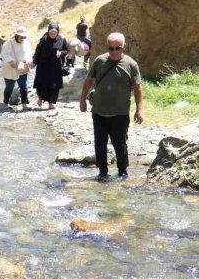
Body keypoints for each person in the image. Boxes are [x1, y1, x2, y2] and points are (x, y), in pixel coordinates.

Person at [79, 32, 144, 180]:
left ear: (124, 48)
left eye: (117, 48)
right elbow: (89, 81)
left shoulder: (131, 64)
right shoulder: (99, 61)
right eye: (110, 48)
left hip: (120, 113)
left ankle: (122, 171)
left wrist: (139, 109)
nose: (114, 51)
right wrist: (82, 100)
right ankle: (102, 173)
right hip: (99, 112)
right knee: (100, 144)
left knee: (120, 144)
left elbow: (138, 87)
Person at [33, 22, 69, 109]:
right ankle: (41, 98)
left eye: (54, 32)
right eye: (51, 32)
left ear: (57, 32)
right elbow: (37, 51)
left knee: (54, 85)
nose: (53, 34)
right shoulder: (43, 39)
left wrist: (61, 53)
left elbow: (66, 50)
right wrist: (34, 62)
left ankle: (51, 103)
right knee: (41, 84)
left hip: (55, 67)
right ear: (48, 31)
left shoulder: (61, 39)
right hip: (43, 66)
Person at [0, 26, 33, 110]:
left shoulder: (27, 43)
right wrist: (11, 61)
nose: (23, 38)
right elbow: (4, 54)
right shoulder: (8, 43)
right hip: (10, 68)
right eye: (21, 37)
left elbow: (29, 54)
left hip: (22, 67)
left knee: (23, 86)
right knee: (9, 87)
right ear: (16, 35)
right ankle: (5, 103)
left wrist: (29, 60)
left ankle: (24, 104)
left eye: (24, 37)